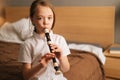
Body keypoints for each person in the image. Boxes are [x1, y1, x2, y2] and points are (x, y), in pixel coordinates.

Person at [18, 0, 71, 80]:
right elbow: (26, 76)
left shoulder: (60, 40)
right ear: (32, 20)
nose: (46, 22)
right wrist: (41, 65)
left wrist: (61, 58)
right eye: (40, 18)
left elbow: (66, 69)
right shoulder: (27, 44)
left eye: (49, 18)